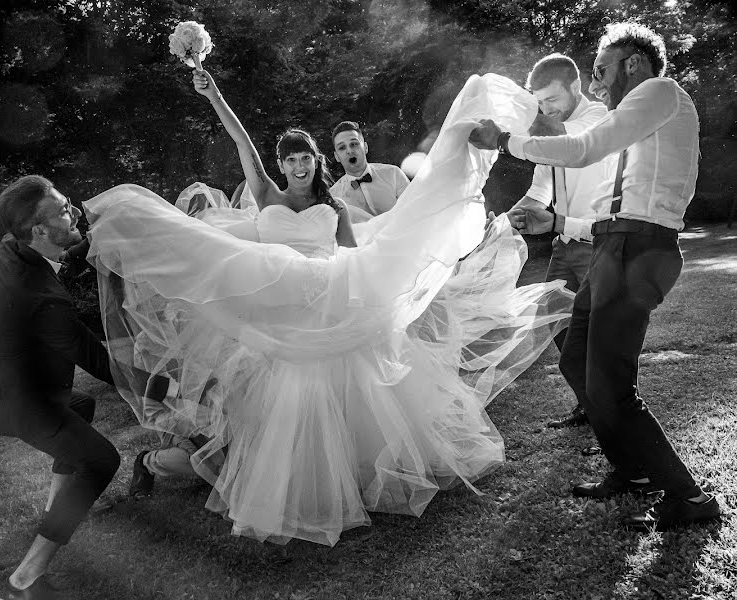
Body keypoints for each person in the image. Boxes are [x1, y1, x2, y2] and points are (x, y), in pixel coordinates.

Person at [83, 68, 574, 546]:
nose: (299, 167)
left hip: (325, 304)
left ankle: (354, 474)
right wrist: (213, 95)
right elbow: (242, 145)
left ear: (317, 162)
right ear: (281, 166)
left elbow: (353, 258)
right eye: (291, 160)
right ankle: (254, 473)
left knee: (342, 389)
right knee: (278, 400)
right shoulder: (266, 194)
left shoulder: (336, 208)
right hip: (279, 314)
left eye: (306, 159)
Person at [469, 22, 722, 530]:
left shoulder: (660, 91)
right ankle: (631, 473)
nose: (599, 84)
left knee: (610, 386)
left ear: (634, 63)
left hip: (640, 252)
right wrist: (561, 223)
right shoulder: (637, 117)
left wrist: (507, 141)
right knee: (577, 363)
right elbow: (618, 207)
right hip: (615, 243)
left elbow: (586, 151)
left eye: (603, 71)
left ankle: (690, 498)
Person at [0, 175, 181, 597]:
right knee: (99, 461)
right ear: (40, 231)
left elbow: (72, 240)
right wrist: (171, 391)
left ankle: (54, 512)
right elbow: (100, 362)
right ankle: (26, 576)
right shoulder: (39, 294)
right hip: (10, 399)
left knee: (78, 408)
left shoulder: (14, 245)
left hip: (8, 382)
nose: (75, 211)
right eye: (64, 210)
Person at [505, 53, 610, 429]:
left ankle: (610, 414)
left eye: (551, 100)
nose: (546, 109)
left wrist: (508, 130)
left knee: (600, 337)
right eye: (540, 102)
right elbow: (538, 191)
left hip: (599, 242)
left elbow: (570, 140)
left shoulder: (599, 118)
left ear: (575, 87)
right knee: (558, 325)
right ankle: (589, 405)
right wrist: (505, 218)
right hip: (563, 245)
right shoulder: (552, 135)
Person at [329, 121, 410, 221]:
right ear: (336, 156)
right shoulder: (334, 197)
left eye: (354, 144)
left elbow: (413, 209)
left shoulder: (393, 174)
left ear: (366, 147)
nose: (349, 151)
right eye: (342, 147)